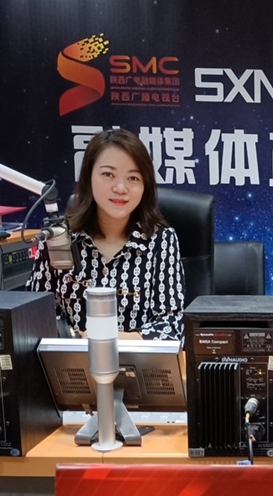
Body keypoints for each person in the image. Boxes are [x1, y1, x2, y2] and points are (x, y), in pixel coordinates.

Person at [26, 128, 185, 340]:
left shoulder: (162, 240)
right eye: (108, 174)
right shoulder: (57, 237)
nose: (120, 188)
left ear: (145, 186)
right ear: (88, 177)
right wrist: (76, 340)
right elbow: (34, 315)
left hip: (138, 359)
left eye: (133, 178)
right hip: (72, 358)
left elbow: (173, 325)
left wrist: (106, 339)